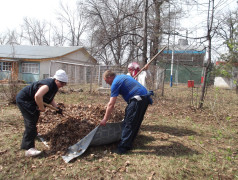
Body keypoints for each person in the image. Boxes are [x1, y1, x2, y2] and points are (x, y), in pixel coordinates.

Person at [16, 69, 68, 157]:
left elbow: (50, 98)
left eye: (64, 83)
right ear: (56, 80)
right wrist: (41, 107)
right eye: (61, 83)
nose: (62, 85)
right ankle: (29, 148)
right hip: (25, 100)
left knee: (35, 118)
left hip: (32, 101)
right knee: (31, 122)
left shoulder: (55, 86)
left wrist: (56, 108)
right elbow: (38, 96)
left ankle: (32, 134)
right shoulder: (48, 85)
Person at [100, 70, 153, 154]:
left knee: (129, 123)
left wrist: (105, 119)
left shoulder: (115, 83)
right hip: (144, 98)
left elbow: (111, 104)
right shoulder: (123, 76)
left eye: (106, 81)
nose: (106, 83)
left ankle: (122, 148)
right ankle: (128, 144)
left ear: (109, 77)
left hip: (137, 99)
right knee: (135, 123)